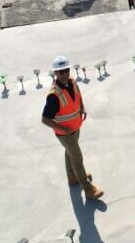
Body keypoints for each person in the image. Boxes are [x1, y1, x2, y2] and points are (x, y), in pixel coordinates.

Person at [41, 55, 104, 200]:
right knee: (77, 157)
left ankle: (72, 177)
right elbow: (45, 119)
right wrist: (64, 130)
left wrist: (82, 107)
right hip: (65, 133)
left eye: (66, 70)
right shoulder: (54, 95)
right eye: (61, 71)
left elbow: (78, 95)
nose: (64, 74)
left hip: (75, 127)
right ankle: (88, 189)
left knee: (69, 152)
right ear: (55, 73)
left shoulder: (72, 82)